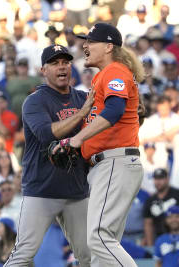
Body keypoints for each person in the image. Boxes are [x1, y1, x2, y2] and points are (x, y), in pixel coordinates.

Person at [4, 44, 94, 267]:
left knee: (89, 257)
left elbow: (107, 124)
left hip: (76, 190)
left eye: (65, 62)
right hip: (42, 190)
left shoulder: (83, 97)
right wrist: (82, 113)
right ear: (43, 70)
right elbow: (46, 133)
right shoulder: (34, 101)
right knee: (23, 253)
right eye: (54, 63)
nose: (61, 67)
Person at [66, 23, 145, 266]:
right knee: (103, 252)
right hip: (111, 164)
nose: (85, 45)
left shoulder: (115, 71)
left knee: (99, 239)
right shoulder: (105, 75)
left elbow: (115, 110)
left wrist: (77, 140)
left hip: (114, 162)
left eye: (90, 41)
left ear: (109, 46)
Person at [143, 168, 179, 246]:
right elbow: (148, 224)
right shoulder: (150, 200)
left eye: (161, 178)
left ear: (167, 179)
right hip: (159, 239)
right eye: (156, 178)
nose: (158, 182)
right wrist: (150, 246)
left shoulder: (177, 194)